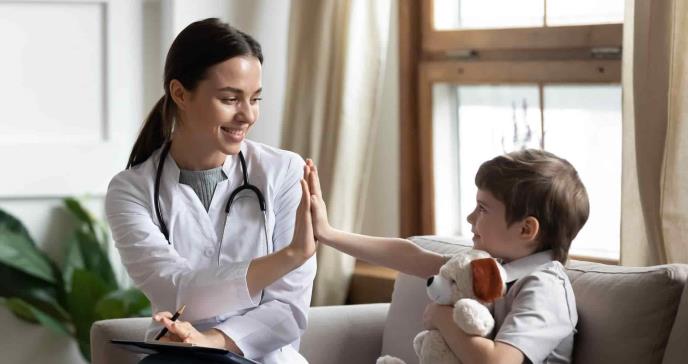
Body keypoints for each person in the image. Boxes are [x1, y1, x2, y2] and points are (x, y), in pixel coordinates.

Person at [105, 18, 317, 364]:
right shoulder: (131, 191)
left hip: (262, 357)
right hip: (176, 357)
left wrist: (210, 340)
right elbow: (174, 289)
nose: (247, 115)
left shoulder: (284, 172)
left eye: (255, 98)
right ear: (180, 94)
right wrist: (289, 256)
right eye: (230, 99)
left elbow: (288, 310)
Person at [305, 148, 589, 364]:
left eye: (483, 209)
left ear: (526, 229)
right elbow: (409, 257)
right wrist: (329, 234)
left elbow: (498, 361)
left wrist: (443, 317)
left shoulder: (544, 287)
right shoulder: (488, 265)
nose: (470, 217)